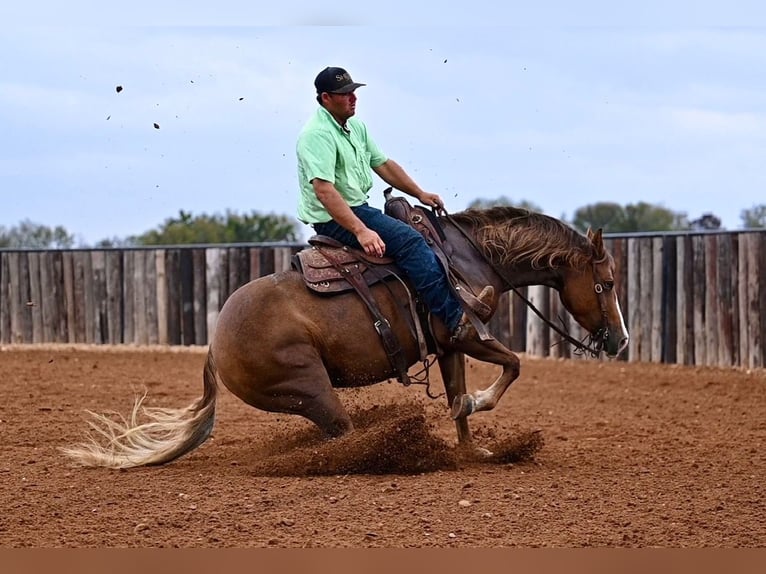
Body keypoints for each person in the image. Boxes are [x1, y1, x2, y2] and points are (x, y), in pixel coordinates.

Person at [295, 66, 492, 343]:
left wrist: (419, 193)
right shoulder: (317, 135)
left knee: (425, 232)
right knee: (410, 242)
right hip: (336, 217)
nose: (353, 97)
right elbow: (325, 192)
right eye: (344, 94)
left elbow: (383, 164)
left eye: (353, 91)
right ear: (326, 98)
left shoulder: (355, 126)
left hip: (357, 208)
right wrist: (361, 230)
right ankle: (453, 319)